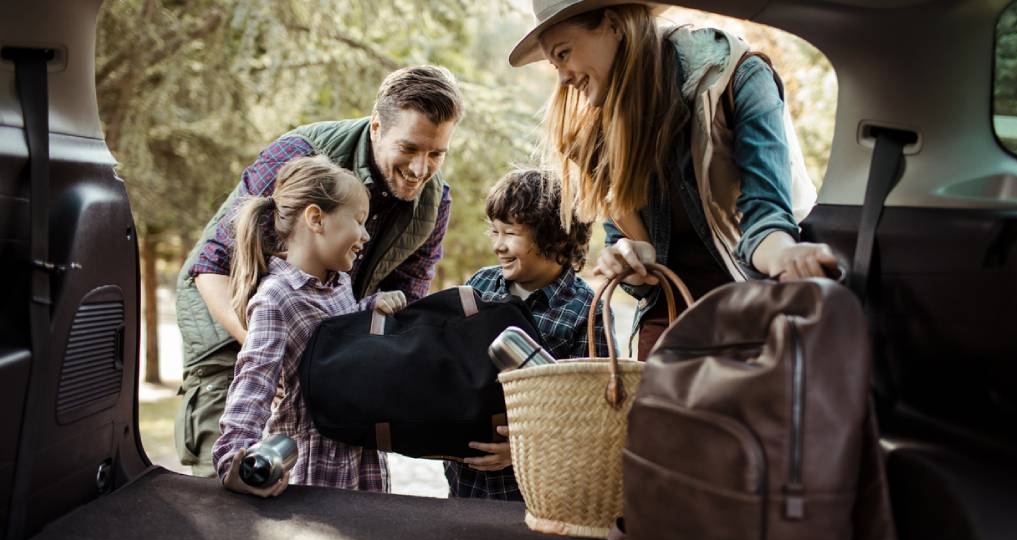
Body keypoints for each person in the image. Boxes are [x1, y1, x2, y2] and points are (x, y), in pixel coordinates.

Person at [174, 65, 464, 477]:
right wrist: (274, 356)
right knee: (232, 489)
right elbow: (211, 266)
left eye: (436, 154)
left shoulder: (434, 204)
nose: (421, 169)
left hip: (323, 351)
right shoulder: (300, 153)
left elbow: (402, 311)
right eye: (410, 148)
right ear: (377, 126)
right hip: (232, 332)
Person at [510, 1, 838, 359]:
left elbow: (766, 219)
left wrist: (787, 255)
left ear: (613, 24)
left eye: (564, 53)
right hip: (668, 330)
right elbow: (631, 253)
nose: (563, 78)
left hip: (751, 318)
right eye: (554, 64)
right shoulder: (597, 133)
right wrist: (631, 259)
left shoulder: (737, 77)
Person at [211, 155, 408, 497]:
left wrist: (368, 308)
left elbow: (336, 337)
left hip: (360, 459)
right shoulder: (277, 297)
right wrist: (234, 459)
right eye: (359, 221)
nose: (365, 235)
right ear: (316, 218)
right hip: (314, 468)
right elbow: (253, 383)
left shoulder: (339, 284)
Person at [444, 169, 611, 501]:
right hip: (465, 483)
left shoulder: (586, 311)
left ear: (557, 238)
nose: (498, 245)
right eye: (494, 231)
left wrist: (519, 451)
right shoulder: (480, 286)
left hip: (533, 489)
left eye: (510, 233)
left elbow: (593, 415)